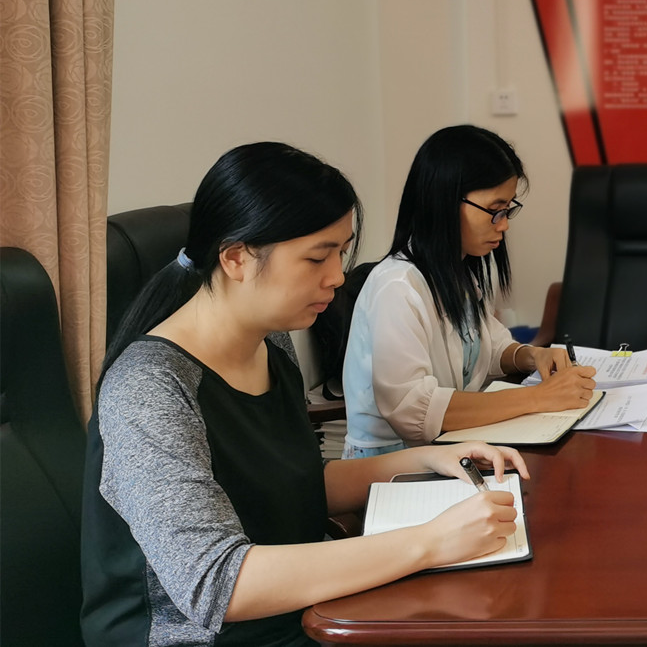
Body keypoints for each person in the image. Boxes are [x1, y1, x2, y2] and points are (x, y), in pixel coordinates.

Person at [82, 143, 531, 647]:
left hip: (300, 613)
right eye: (318, 257)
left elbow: (289, 485)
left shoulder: (270, 342)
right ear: (236, 258)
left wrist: (427, 460)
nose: (338, 276)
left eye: (341, 252)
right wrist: (429, 543)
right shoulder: (149, 388)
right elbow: (215, 584)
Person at [343, 125, 596, 456]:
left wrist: (533, 356)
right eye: (495, 210)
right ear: (446, 202)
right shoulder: (398, 287)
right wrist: (538, 397)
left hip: (452, 448)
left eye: (508, 210)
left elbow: (490, 348)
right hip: (394, 463)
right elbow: (413, 410)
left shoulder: (459, 271)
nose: (504, 224)